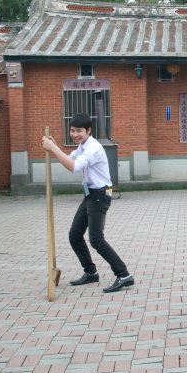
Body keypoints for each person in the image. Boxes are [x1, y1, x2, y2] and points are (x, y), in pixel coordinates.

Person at [42, 114, 133, 293]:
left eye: (79, 131)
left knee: (96, 239)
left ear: (88, 131)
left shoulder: (93, 148)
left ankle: (124, 275)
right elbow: (70, 159)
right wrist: (55, 148)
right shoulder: (82, 146)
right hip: (90, 195)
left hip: (100, 196)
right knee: (75, 235)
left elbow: (73, 167)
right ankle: (91, 272)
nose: (75, 134)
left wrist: (53, 148)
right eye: (72, 130)